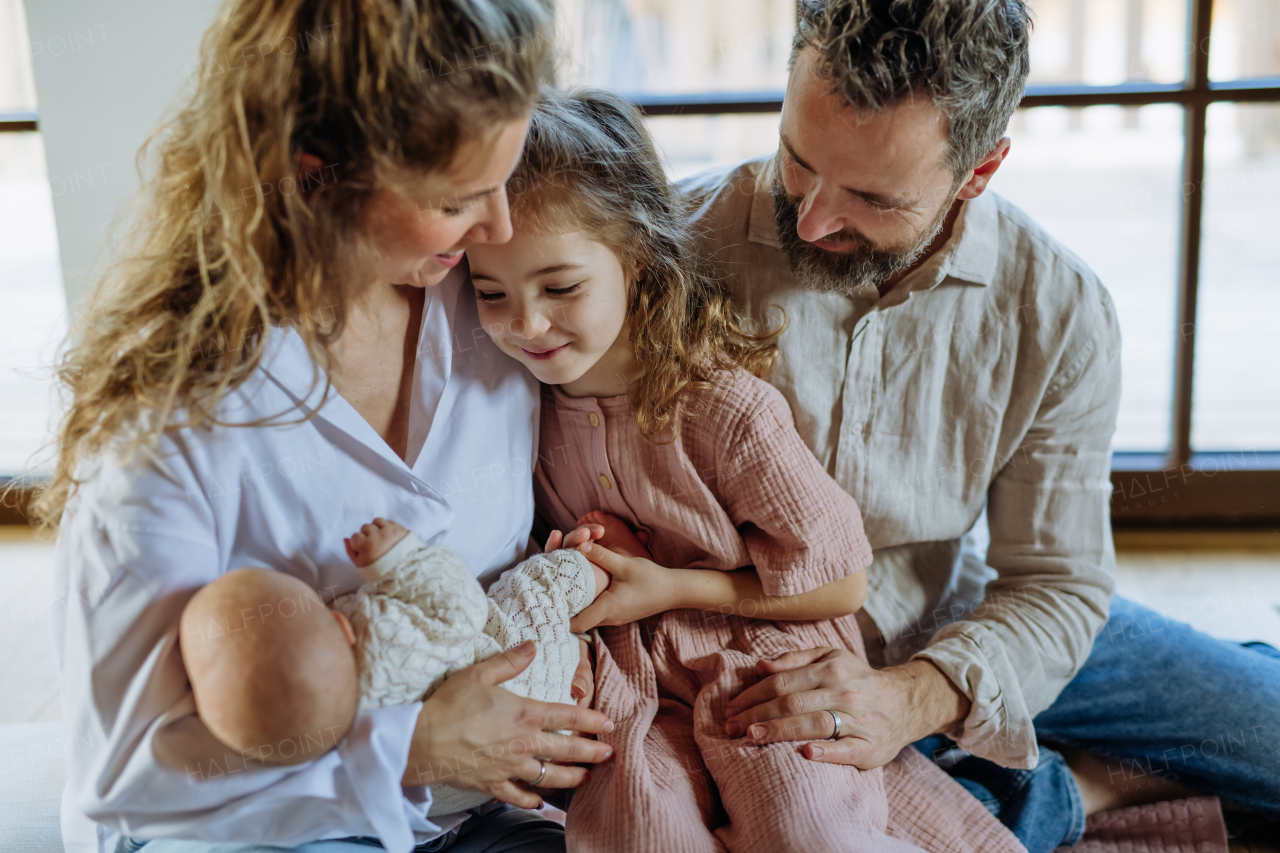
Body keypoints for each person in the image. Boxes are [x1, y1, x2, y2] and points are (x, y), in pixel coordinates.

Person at [655, 1, 1280, 851]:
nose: (809, 219)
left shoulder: (1057, 308)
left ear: (980, 171)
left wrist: (912, 696)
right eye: (797, 162)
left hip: (958, 613)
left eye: (871, 198)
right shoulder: (674, 248)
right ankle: (1086, 785)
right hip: (745, 655)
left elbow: (1059, 583)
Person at [39, 2, 614, 852]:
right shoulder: (171, 416)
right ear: (318, 172)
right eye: (459, 197)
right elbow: (126, 780)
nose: (499, 225)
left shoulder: (493, 298)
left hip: (486, 810)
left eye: (507, 174)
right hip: (268, 831)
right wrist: (413, 747)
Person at [466, 88, 1023, 853]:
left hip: (760, 668)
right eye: (489, 292)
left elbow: (842, 581)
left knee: (805, 828)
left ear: (636, 256)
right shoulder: (518, 407)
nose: (524, 323)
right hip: (637, 693)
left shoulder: (725, 409)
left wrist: (673, 586)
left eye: (559, 287)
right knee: (635, 829)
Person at [178, 516, 607, 816]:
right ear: (339, 625)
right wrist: (402, 561)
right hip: (531, 667)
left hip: (521, 770)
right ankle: (605, 565)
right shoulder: (383, 634)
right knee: (533, 588)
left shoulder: (341, 743)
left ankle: (581, 639)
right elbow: (462, 608)